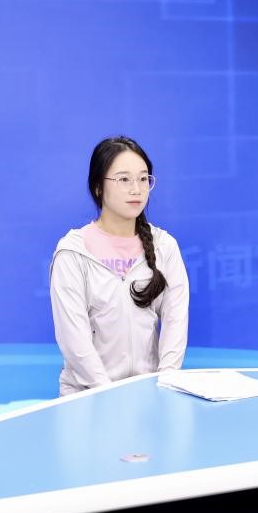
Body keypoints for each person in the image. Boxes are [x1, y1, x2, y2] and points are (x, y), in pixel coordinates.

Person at [49, 136, 189, 396]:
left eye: (143, 179)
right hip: (87, 397)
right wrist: (108, 394)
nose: (136, 189)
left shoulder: (164, 246)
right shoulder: (73, 252)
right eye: (124, 179)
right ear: (98, 187)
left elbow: (176, 322)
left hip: (148, 395)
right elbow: (73, 340)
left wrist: (165, 383)